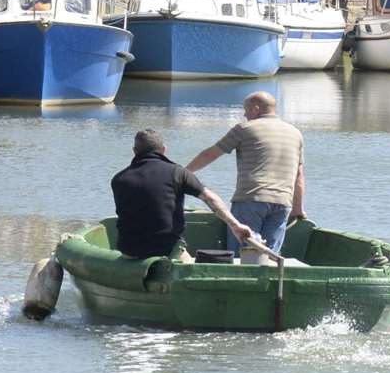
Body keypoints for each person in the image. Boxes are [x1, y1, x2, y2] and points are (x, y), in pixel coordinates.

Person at [186, 91, 304, 255]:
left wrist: (182, 173)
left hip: (251, 199)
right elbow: (299, 176)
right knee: (269, 258)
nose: (244, 114)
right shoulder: (295, 133)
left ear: (256, 109)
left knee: (242, 255)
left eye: (246, 110)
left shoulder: (245, 128)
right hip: (283, 203)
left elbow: (210, 154)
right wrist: (297, 209)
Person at [111, 129, 258, 260]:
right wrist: (235, 225)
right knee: (185, 260)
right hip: (167, 250)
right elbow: (210, 198)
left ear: (134, 151)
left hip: (130, 251)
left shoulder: (119, 179)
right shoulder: (178, 173)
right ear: (164, 150)